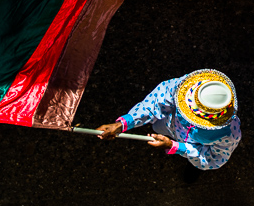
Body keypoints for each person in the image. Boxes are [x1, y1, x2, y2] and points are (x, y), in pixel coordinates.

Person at [96, 69, 241, 170]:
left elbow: (213, 159)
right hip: (166, 125)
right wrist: (123, 123)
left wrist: (176, 147)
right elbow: (153, 104)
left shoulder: (228, 133)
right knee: (157, 128)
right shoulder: (184, 87)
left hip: (187, 143)